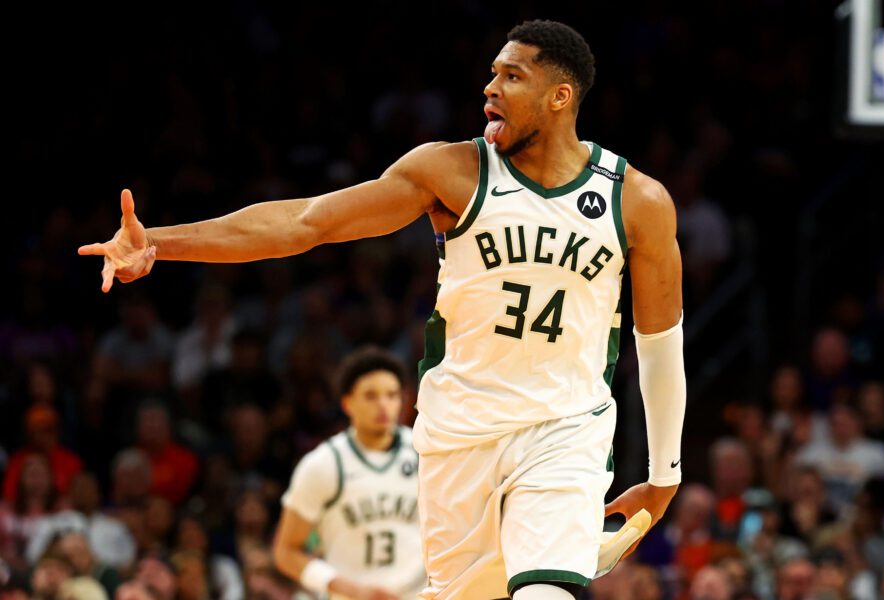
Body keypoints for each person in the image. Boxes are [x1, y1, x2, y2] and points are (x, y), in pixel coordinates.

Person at [78, 19, 686, 600]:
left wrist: (665, 473)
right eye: (491, 74)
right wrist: (160, 241)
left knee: (546, 588)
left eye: (511, 77)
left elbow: (660, 341)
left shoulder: (637, 200)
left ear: (560, 96)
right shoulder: (451, 172)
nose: (490, 88)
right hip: (459, 434)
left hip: (566, 427)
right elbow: (305, 222)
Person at [273, 346, 424, 600]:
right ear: (347, 402)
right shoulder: (323, 464)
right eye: (371, 396)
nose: (383, 404)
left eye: (391, 395)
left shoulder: (426, 453)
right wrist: (344, 587)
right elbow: (285, 551)